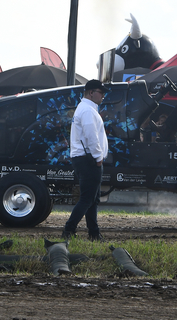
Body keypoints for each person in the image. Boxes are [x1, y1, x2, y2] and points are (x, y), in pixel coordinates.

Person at [62, 80, 109, 242]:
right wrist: (98, 157)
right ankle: (69, 230)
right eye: (101, 92)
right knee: (87, 199)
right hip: (88, 159)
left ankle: (94, 233)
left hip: (84, 158)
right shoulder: (88, 111)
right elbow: (91, 136)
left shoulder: (85, 109)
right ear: (91, 93)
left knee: (92, 199)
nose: (103, 96)